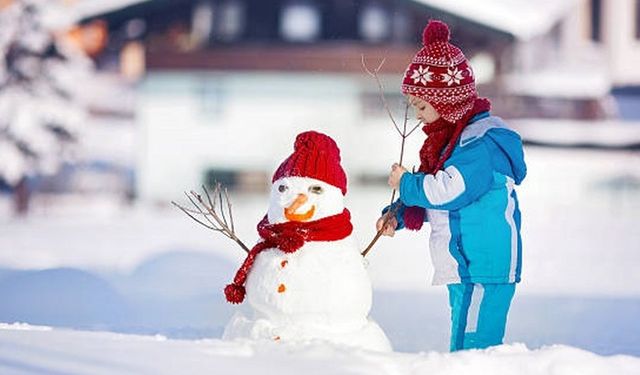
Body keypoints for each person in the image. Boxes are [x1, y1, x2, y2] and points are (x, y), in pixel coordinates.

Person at [376, 19, 527, 352]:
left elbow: (450, 191)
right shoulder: (452, 145)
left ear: (445, 103)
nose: (416, 115)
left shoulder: (477, 144)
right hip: (465, 263)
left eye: (422, 106)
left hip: (484, 264)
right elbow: (439, 198)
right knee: (462, 341)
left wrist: (406, 182)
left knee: (475, 348)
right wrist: (399, 216)